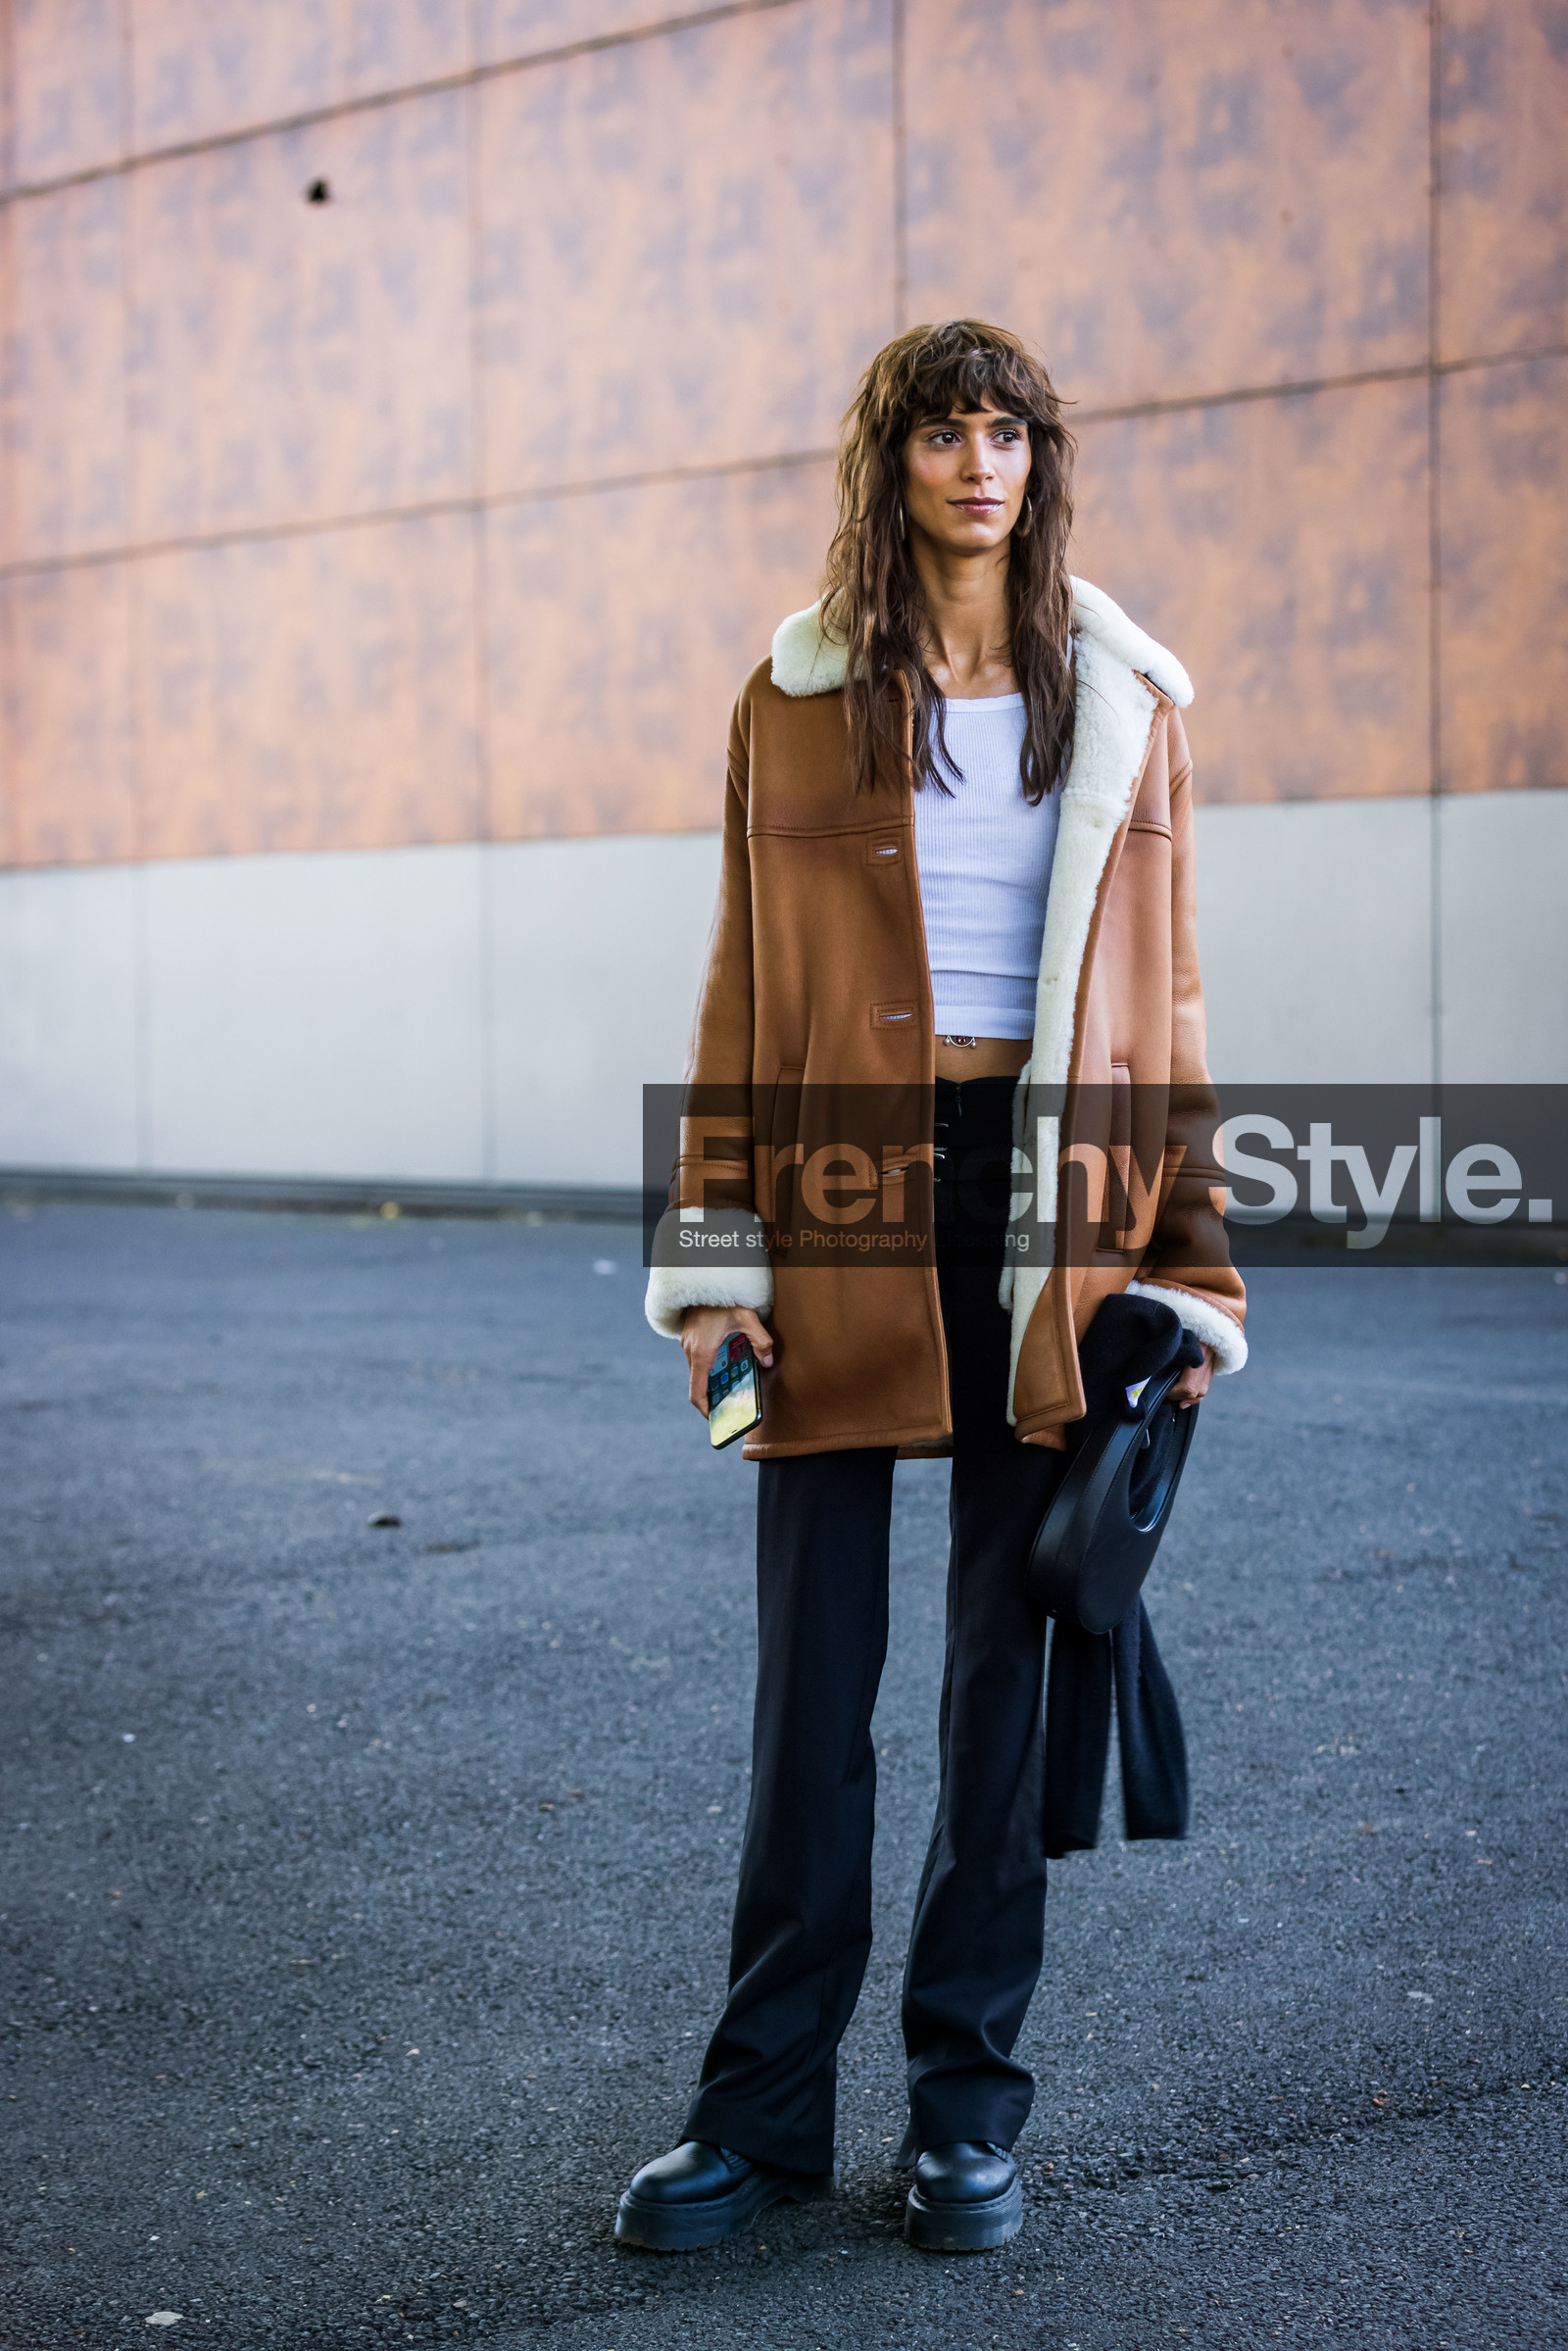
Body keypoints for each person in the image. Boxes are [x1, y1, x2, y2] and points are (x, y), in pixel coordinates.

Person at [619, 320, 1247, 2256]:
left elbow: (1170, 1006)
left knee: (1003, 1682)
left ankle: (966, 2111)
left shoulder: (1127, 700)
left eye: (1006, 433)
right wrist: (713, 1262)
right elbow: (738, 989)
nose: (978, 465)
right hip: (832, 1195)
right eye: (941, 432)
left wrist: (1193, 1269)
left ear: (1037, 464)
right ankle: (759, 2117)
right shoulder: (790, 694)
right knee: (809, 1692)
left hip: (1049, 1209)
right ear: (886, 461)